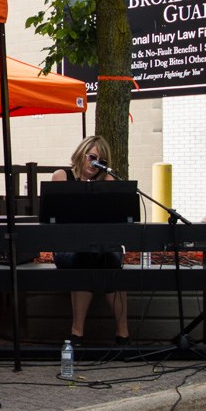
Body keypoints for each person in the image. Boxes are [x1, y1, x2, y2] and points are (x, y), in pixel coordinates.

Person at [51, 135, 130, 347]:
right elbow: (57, 218)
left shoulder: (107, 181)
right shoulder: (62, 176)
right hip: (68, 250)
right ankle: (77, 332)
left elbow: (115, 222)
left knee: (110, 262)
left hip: (100, 248)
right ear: (82, 154)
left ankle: (123, 334)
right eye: (92, 157)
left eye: (101, 161)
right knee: (86, 257)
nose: (95, 164)